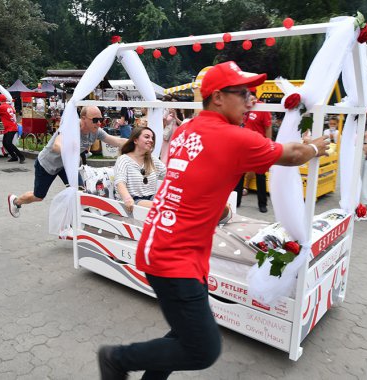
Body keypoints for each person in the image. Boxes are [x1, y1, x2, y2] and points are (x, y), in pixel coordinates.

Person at [97, 61, 330, 380]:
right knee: (203, 348)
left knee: (183, 333)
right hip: (174, 258)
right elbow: (290, 155)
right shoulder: (234, 138)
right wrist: (315, 147)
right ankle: (117, 358)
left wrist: (216, 211)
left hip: (162, 245)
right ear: (218, 97)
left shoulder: (185, 130)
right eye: (243, 93)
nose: (251, 101)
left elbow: (193, 184)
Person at [7, 106, 127, 218]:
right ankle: (16, 201)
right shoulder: (70, 128)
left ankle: (74, 223)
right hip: (48, 164)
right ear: (83, 118)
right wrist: (71, 152)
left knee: (79, 192)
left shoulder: (96, 131)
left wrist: (137, 141)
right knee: (38, 196)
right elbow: (56, 146)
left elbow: (116, 141)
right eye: (95, 120)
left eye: (101, 119)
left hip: (67, 165)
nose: (99, 123)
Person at [234, 87, 272, 212]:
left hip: (259, 146)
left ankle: (262, 204)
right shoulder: (243, 106)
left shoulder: (262, 108)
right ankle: (236, 201)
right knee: (239, 174)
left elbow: (268, 127)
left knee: (260, 175)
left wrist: (269, 145)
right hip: (243, 145)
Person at [114, 127, 167, 212]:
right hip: (132, 201)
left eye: (152, 138)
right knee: (163, 206)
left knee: (173, 203)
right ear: (135, 140)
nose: (151, 140)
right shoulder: (123, 159)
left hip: (151, 198)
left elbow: (168, 174)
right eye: (147, 137)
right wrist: (127, 198)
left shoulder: (152, 159)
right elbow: (120, 182)